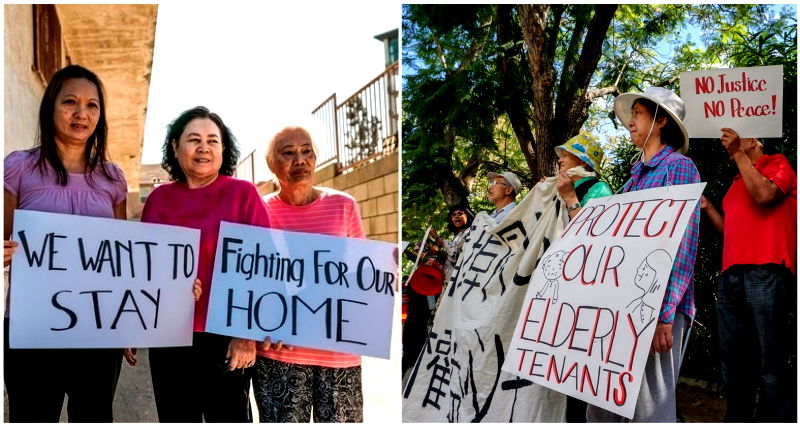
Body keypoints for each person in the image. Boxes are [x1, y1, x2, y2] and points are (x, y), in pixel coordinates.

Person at [3, 64, 128, 422]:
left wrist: (133, 324)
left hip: (98, 329)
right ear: (50, 107)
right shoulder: (18, 168)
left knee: (94, 416)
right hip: (32, 327)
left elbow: (123, 261)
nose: (81, 113)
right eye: (70, 102)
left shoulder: (112, 178)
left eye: (92, 105)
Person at [139, 106, 270, 422]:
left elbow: (264, 267)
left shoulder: (243, 194)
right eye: (193, 139)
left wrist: (246, 335)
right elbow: (141, 267)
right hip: (168, 335)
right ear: (175, 147)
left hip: (225, 338)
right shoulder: (158, 199)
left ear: (223, 148)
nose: (204, 147)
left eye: (213, 140)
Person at [586, 86, 700, 422]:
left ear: (661, 120)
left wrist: (665, 312)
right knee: (602, 400)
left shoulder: (679, 168)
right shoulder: (630, 183)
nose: (630, 123)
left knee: (649, 408)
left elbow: (684, 241)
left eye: (637, 114)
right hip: (620, 307)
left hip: (656, 310)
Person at [253, 126, 366, 422]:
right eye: (288, 153)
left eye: (307, 151)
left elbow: (363, 276)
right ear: (272, 164)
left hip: (340, 353)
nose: (299, 159)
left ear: (315, 160)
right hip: (279, 353)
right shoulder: (259, 212)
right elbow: (251, 281)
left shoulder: (344, 206)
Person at [699, 128, 796, 422]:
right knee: (734, 361)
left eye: (742, 136)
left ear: (754, 141)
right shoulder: (736, 182)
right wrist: (709, 208)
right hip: (732, 276)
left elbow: (765, 194)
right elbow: (731, 231)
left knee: (771, 361)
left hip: (767, 269)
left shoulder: (777, 163)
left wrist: (738, 154)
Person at [553, 133, 613, 220]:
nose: (560, 160)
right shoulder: (563, 187)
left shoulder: (600, 189)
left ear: (583, 162)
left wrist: (570, 198)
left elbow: (595, 228)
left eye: (565, 156)